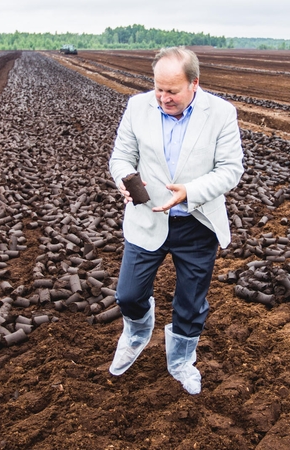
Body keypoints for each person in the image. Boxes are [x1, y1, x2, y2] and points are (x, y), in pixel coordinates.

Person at [108, 46, 244, 395]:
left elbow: (231, 169)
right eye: (158, 88)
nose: (163, 97)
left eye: (172, 91)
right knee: (128, 295)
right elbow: (121, 156)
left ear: (194, 84)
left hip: (197, 223)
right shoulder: (138, 106)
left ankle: (182, 361)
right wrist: (126, 180)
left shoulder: (221, 113)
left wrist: (191, 191)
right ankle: (137, 334)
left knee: (190, 302)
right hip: (147, 217)